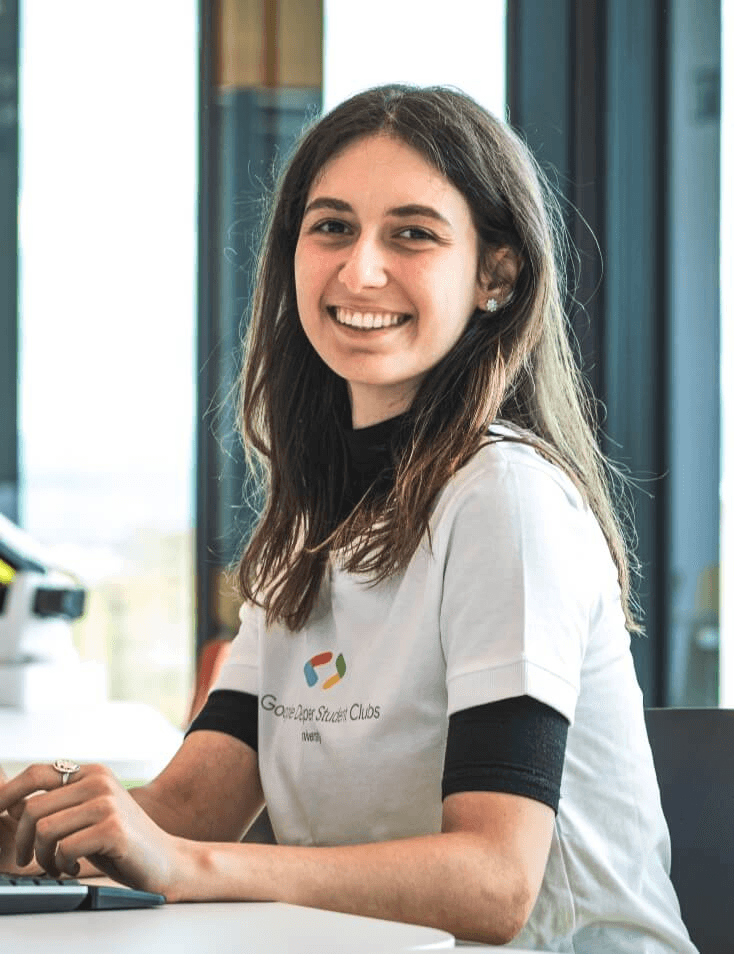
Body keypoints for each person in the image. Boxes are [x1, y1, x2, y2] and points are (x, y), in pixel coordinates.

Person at [0, 85, 696, 951]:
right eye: (331, 226)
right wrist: (40, 834)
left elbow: (494, 884)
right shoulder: (312, 522)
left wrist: (192, 865)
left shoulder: (504, 497)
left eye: (412, 234)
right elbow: (189, 812)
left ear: (496, 275)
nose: (360, 270)